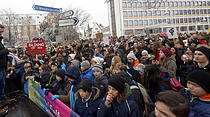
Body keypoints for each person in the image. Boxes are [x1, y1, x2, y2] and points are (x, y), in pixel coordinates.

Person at [0, 24, 16, 116]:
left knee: (2, 84)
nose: (1, 33)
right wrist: (7, 50)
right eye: (0, 31)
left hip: (2, 67)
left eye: (2, 31)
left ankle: (3, 100)